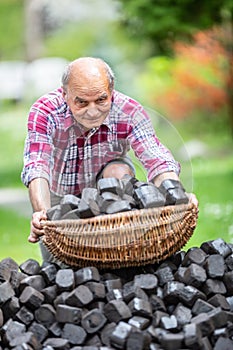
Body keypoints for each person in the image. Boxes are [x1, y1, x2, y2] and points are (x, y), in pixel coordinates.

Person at [21, 56, 198, 264]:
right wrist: (42, 212)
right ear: (65, 95)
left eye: (101, 100)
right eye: (82, 102)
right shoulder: (45, 111)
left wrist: (177, 195)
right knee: (57, 267)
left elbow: (156, 159)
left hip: (108, 191)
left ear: (111, 92)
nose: (93, 111)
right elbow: (37, 164)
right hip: (58, 192)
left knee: (119, 172)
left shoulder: (130, 112)